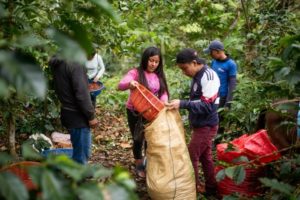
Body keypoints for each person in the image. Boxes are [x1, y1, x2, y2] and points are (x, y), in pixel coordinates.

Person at [165, 48, 220, 197]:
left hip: (206, 126)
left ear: (194, 63)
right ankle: (211, 188)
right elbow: (197, 100)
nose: (184, 72)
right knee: (205, 157)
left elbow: (208, 105)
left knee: (191, 156)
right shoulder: (197, 75)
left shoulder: (208, 76)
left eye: (185, 68)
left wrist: (183, 104)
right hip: (200, 125)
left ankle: (192, 189)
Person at [118, 46, 169, 178]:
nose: (153, 64)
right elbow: (121, 85)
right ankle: (138, 163)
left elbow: (163, 93)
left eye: (156, 62)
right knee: (138, 138)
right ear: (145, 59)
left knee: (150, 139)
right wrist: (130, 83)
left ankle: (148, 163)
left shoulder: (159, 75)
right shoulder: (136, 72)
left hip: (152, 112)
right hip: (135, 111)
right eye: (151, 60)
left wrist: (163, 103)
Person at [49, 56, 98, 164]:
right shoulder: (75, 63)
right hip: (77, 115)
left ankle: (76, 174)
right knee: (81, 155)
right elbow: (81, 95)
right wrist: (91, 116)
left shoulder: (60, 61)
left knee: (78, 150)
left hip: (67, 111)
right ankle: (78, 178)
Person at [204, 40, 237, 134]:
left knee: (219, 120)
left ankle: (217, 142)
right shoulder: (214, 62)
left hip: (222, 96)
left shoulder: (231, 64)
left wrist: (228, 102)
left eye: (211, 52)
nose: (210, 54)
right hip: (211, 95)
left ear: (217, 51)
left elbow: (232, 84)